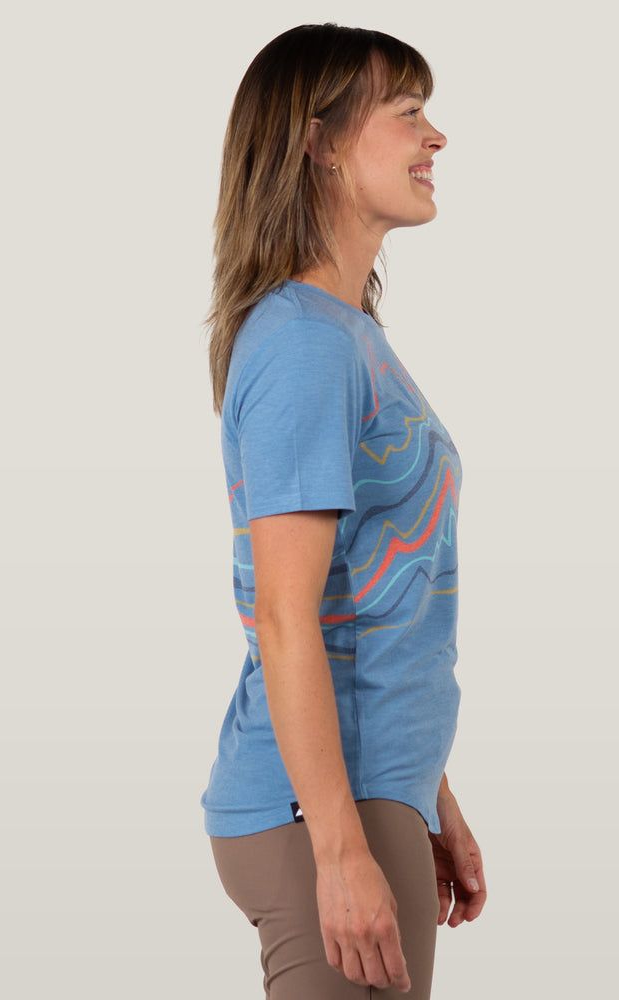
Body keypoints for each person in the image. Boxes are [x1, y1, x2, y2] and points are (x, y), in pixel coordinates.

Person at [201, 23, 486, 999]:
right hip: (319, 809)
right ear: (318, 142)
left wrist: (427, 792)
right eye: (407, 112)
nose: (434, 136)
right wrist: (339, 846)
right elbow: (284, 615)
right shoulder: (304, 345)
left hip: (369, 793)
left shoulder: (343, 332)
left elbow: (367, 602)